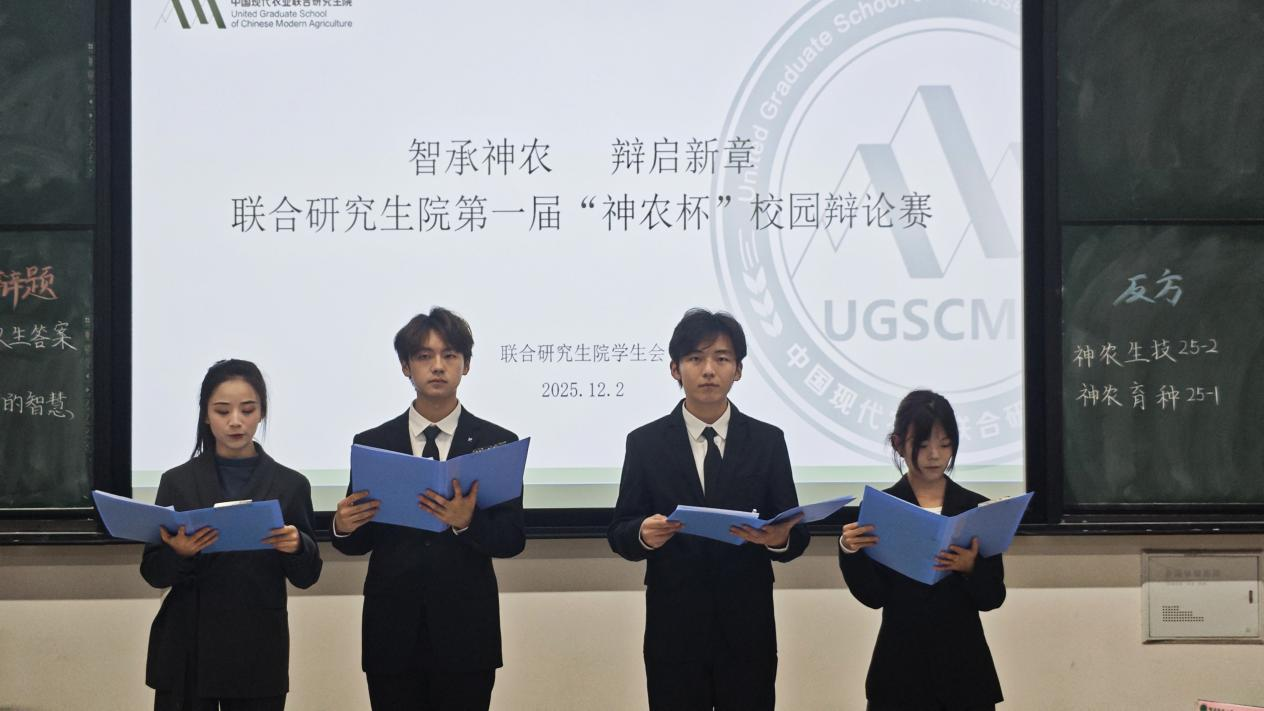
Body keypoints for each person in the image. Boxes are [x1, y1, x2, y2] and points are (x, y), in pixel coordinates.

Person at [608, 308, 809, 711]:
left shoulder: (767, 441)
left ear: (738, 370)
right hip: (674, 629)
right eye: (695, 358)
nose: (709, 370)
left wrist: (778, 539)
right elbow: (620, 531)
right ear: (675, 369)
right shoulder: (645, 443)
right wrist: (642, 534)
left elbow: (795, 532)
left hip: (747, 627)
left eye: (721, 358)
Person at [331, 307, 524, 711]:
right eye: (424, 356)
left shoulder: (496, 443)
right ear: (406, 366)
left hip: (467, 634)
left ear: (466, 365)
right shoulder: (374, 443)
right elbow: (358, 543)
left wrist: (467, 523)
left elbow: (511, 540)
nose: (438, 366)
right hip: (391, 632)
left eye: (449, 355)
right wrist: (343, 526)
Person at [141, 359, 322, 711]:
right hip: (188, 645)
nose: (236, 421)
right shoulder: (177, 482)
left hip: (256, 646)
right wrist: (180, 553)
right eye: (223, 411)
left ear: (262, 413)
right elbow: (152, 572)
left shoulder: (290, 484)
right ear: (206, 416)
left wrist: (297, 546)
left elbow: (307, 576)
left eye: (248, 410)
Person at [839, 389, 1006, 711]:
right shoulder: (882, 510)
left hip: (965, 672)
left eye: (945, 444)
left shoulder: (975, 509)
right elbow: (873, 596)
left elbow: (992, 598)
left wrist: (971, 568)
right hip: (899, 670)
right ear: (898, 444)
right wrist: (849, 550)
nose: (935, 455)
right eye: (923, 444)